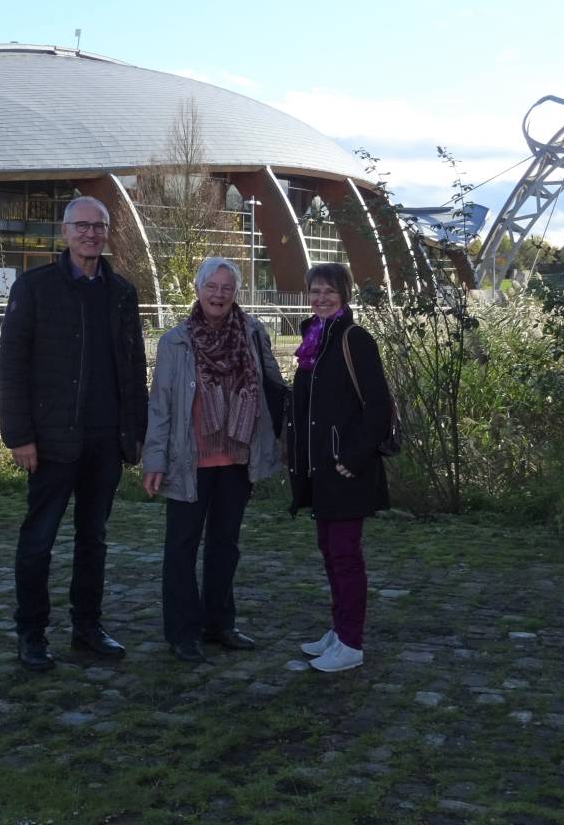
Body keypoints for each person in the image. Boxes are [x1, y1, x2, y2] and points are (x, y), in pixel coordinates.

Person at [0, 195, 149, 673]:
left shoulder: (122, 292)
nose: (90, 234)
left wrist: (137, 434)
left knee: (93, 539)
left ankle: (87, 627)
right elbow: (12, 365)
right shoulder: (36, 287)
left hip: (104, 440)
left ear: (107, 234)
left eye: (98, 227)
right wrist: (19, 435)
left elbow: (133, 366)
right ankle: (32, 633)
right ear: (64, 232)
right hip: (51, 439)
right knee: (39, 539)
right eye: (81, 226)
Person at [142, 257, 286, 663]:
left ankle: (219, 623)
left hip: (237, 458)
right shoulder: (176, 341)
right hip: (188, 460)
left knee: (226, 546)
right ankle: (182, 631)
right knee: (182, 547)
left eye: (227, 288)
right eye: (212, 287)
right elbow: (162, 406)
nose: (219, 295)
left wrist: (286, 436)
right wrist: (154, 460)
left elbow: (274, 388)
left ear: (236, 293)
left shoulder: (254, 334)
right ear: (198, 290)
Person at [286, 262, 392, 673]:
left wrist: (352, 458)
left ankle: (351, 642)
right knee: (330, 552)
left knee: (346, 556)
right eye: (315, 290)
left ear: (344, 295)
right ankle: (339, 629)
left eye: (330, 290)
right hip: (321, 469)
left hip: (346, 469)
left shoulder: (354, 338)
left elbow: (378, 406)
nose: (321, 297)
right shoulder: (314, 338)